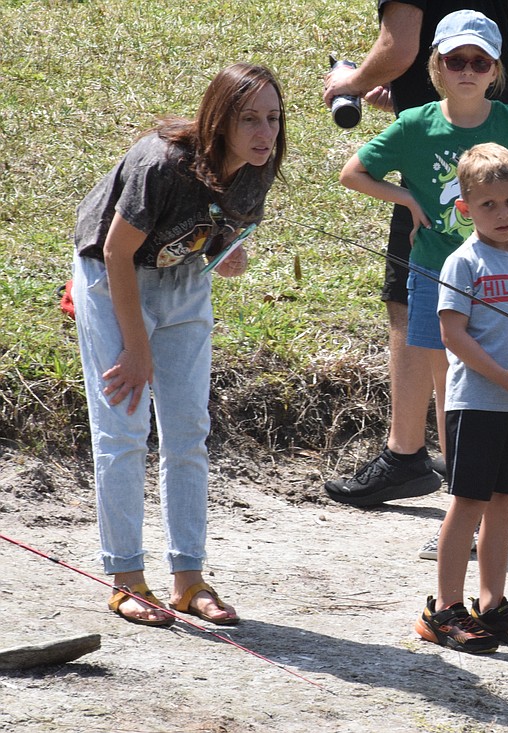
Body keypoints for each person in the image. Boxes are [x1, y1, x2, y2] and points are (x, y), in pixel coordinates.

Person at [323, 10, 508, 513]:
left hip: (497, 280)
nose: (467, 69)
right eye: (455, 59)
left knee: (477, 393)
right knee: (448, 388)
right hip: (433, 276)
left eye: (480, 61)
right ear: (436, 66)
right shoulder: (413, 124)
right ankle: (460, 506)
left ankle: (476, 502)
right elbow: (353, 173)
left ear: (496, 70)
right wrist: (405, 199)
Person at [71, 63, 286, 627]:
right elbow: (117, 252)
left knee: (188, 430)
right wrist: (135, 349)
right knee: (123, 427)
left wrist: (225, 252)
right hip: (113, 277)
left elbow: (218, 232)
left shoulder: (258, 167)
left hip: (184, 280)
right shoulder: (161, 163)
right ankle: (124, 577)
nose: (264, 132)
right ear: (219, 120)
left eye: (272, 118)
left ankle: (188, 579)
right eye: (249, 119)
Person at [414, 142, 508, 653]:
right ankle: (444, 608)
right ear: (465, 208)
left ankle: (492, 604)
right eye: (489, 204)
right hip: (476, 403)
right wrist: (502, 377)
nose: (503, 213)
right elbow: (453, 336)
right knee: (468, 502)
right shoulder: (462, 262)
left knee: (504, 504)